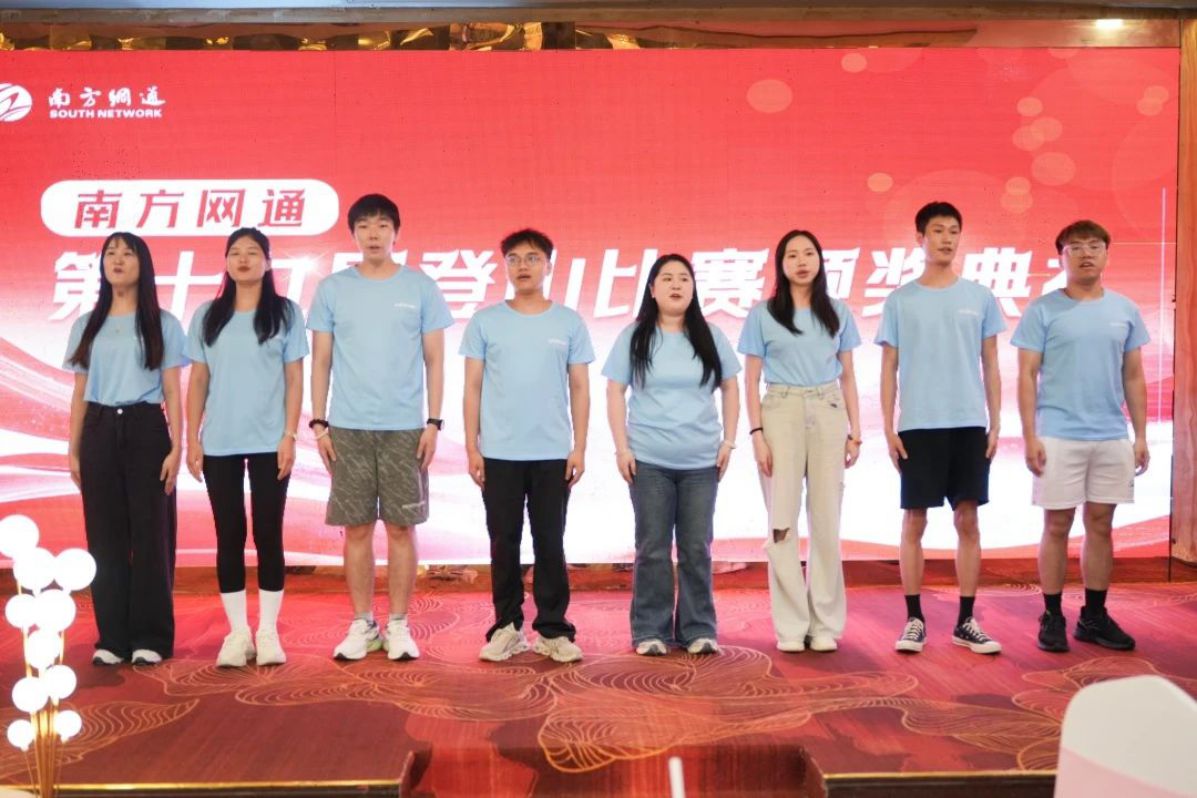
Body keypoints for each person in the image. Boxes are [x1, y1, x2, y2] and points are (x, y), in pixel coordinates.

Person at [308, 193, 452, 661]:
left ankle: (399, 624)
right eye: (365, 226)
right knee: (355, 529)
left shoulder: (420, 287)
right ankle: (362, 624)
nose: (374, 234)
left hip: (404, 428)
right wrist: (319, 422)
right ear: (353, 234)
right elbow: (322, 360)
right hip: (347, 427)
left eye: (382, 225)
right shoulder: (333, 289)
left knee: (401, 527)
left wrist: (433, 422)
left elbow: (435, 360)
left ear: (396, 232)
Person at [1013, 220, 1149, 653]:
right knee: (1057, 524)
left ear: (1107, 254)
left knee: (1101, 524)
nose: (1086, 253)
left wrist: (1140, 435)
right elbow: (1026, 375)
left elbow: (1134, 375)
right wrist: (1030, 435)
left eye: (1094, 246)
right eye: (1076, 247)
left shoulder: (1125, 310)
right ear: (1061, 256)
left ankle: (1093, 616)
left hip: (1110, 434)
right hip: (1058, 434)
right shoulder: (1042, 310)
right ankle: (1052, 614)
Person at [876, 201, 1005, 655]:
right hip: (918, 424)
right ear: (920, 238)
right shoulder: (901, 300)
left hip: (969, 423)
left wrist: (995, 421)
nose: (946, 239)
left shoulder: (979, 297)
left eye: (953, 231)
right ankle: (914, 619)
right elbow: (888, 366)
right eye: (937, 231)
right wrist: (888, 427)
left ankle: (966, 621)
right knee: (915, 519)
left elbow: (991, 362)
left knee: (968, 518)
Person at [461, 229, 593, 663]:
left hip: (552, 452)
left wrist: (579, 447)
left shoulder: (568, 322)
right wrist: (472, 447)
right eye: (514, 259)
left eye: (533, 258)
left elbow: (579, 386)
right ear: (505, 266)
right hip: (499, 452)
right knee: (504, 543)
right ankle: (507, 626)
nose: (523, 266)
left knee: (550, 542)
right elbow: (473, 386)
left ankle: (553, 630)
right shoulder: (485, 321)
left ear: (548, 266)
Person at [604, 254, 741, 656]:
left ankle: (698, 628)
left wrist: (729, 441)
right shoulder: (635, 336)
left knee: (697, 547)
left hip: (701, 462)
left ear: (694, 289)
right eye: (667, 278)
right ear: (652, 289)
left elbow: (731, 387)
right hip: (649, 460)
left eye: (684, 278)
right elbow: (614, 391)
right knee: (653, 548)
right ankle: (650, 630)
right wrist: (622, 448)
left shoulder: (710, 335)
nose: (676, 285)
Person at [185, 228, 308, 667]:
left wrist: (290, 434)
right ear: (226, 262)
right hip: (219, 441)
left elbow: (294, 378)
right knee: (229, 534)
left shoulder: (285, 313)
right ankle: (238, 633)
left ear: (267, 262)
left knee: (268, 533)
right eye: (234, 253)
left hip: (270, 440)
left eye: (252, 253)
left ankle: (268, 631)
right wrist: (192, 438)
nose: (243, 259)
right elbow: (199, 380)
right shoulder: (208, 315)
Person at [64, 231, 186, 666]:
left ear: (143, 265)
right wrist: (73, 448)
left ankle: (151, 636)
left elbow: (172, 389)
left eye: (127, 254)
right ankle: (112, 638)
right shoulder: (87, 324)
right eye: (110, 253)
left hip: (145, 427)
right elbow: (79, 392)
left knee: (151, 534)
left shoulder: (163, 323)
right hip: (98, 428)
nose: (117, 260)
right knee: (105, 535)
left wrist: (177, 445)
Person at [739, 230, 862, 653]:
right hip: (780, 410)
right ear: (781, 264)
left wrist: (855, 431)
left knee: (826, 521)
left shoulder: (837, 312)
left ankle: (824, 623)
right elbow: (750, 379)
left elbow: (848, 375)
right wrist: (756, 434)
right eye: (792, 255)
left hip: (828, 409)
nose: (802, 261)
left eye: (809, 253)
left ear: (821, 261)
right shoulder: (763, 315)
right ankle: (791, 624)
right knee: (781, 522)